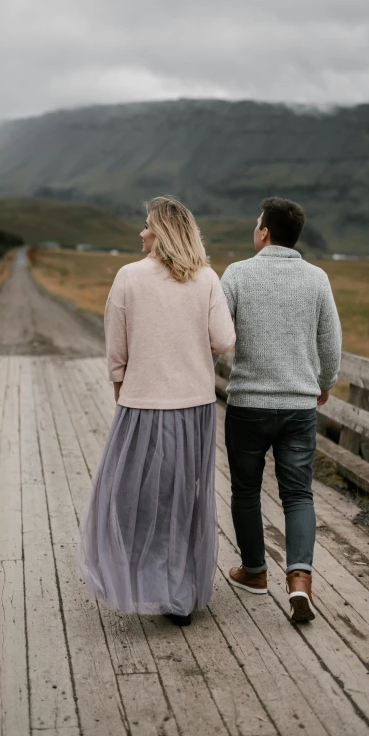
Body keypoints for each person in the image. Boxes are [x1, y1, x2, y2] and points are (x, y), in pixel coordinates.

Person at [78, 196, 236, 626]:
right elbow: (223, 340)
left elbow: (116, 351)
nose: (142, 233)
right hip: (195, 408)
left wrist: (120, 392)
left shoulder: (129, 277)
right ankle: (178, 592)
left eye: (147, 225)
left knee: (133, 496)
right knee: (186, 497)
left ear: (162, 232)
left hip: (141, 405)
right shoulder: (206, 278)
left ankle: (142, 581)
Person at [220, 197, 341, 622]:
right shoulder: (317, 278)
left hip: (248, 404)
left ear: (265, 232)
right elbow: (330, 342)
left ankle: (254, 572)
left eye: (257, 223)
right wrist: (323, 384)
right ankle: (300, 581)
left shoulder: (236, 274)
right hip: (297, 406)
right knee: (297, 494)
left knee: (245, 491)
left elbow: (218, 334)